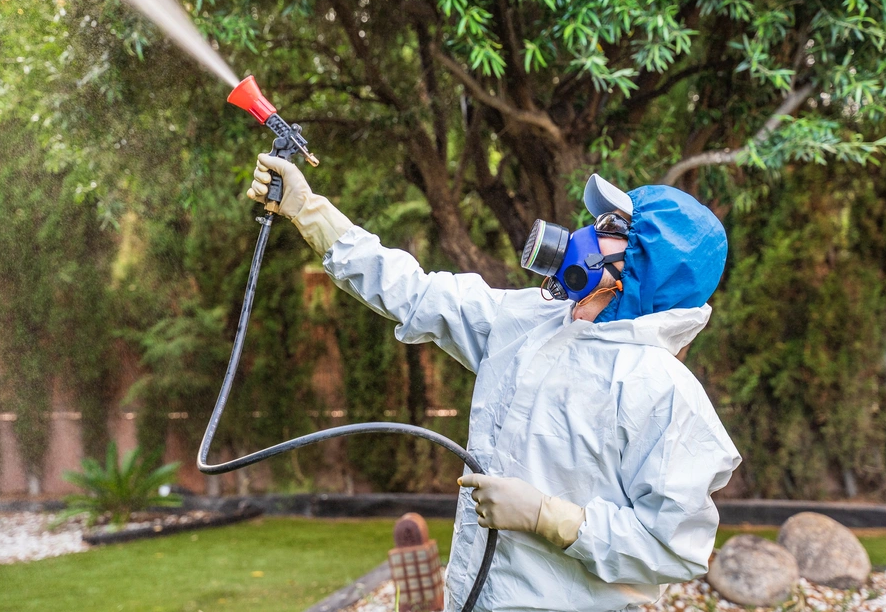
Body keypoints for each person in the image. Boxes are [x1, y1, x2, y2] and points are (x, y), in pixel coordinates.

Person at [247, 154, 741, 612]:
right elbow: (416, 293)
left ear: (643, 268)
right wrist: (308, 210)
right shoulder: (530, 320)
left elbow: (674, 548)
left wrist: (551, 518)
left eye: (611, 228)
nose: (587, 232)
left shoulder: (663, 392)